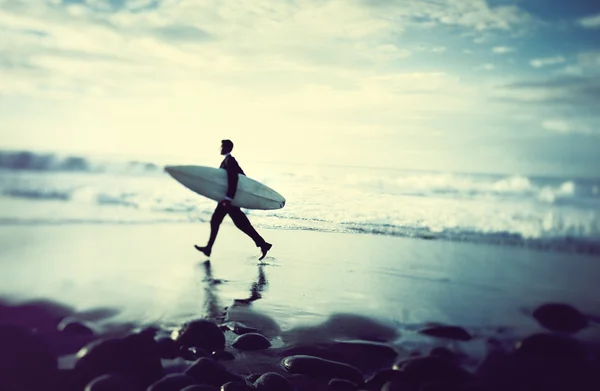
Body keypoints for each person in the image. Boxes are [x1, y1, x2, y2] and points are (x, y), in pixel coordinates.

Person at [195, 140, 272, 260]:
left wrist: (228, 198)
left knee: (230, 222)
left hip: (228, 200)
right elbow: (242, 176)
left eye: (222, 146)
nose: (220, 148)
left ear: (227, 148)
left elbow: (234, 179)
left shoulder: (230, 161)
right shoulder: (228, 161)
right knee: (238, 223)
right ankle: (262, 244)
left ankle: (262, 244)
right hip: (227, 199)